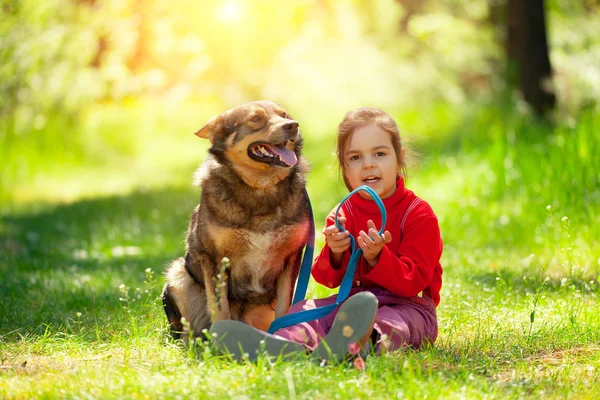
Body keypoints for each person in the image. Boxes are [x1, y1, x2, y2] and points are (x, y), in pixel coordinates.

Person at [210, 107, 443, 365]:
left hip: (409, 307)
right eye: (355, 158)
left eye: (380, 154)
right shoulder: (343, 213)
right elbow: (326, 278)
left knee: (394, 323)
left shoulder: (418, 214)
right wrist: (335, 252)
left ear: (399, 158)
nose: (368, 164)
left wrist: (378, 258)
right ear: (344, 167)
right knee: (305, 311)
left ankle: (361, 344)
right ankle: (287, 346)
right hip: (350, 304)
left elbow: (414, 282)